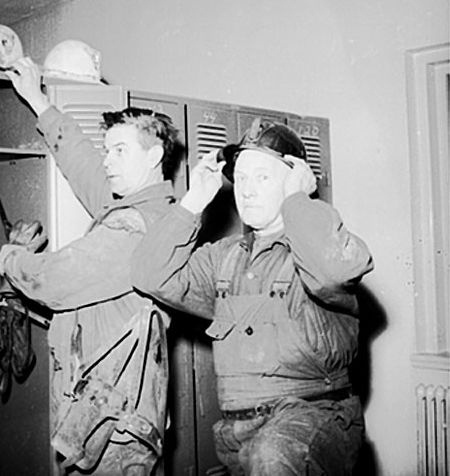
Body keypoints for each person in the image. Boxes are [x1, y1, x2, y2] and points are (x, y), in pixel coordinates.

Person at [131, 117, 374, 476]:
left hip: (310, 420)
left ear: (293, 179)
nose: (246, 190)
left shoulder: (315, 246)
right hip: (239, 432)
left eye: (262, 177)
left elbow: (335, 270)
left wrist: (298, 199)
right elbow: (149, 274)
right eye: (241, 178)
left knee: (271, 455)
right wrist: (192, 202)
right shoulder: (223, 258)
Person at [0, 56, 180, 476]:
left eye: (120, 151)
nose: (108, 161)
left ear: (154, 156)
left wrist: (10, 256)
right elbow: (85, 167)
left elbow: (52, 280)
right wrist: (38, 101)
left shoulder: (134, 228)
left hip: (115, 427)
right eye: (107, 150)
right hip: (106, 411)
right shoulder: (144, 208)